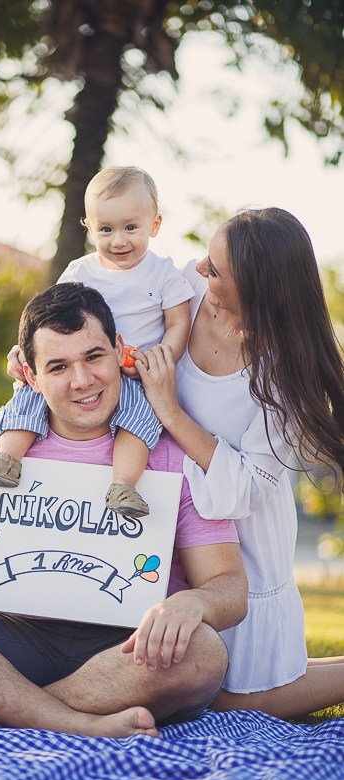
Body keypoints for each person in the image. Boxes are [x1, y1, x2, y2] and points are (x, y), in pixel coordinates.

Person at [0, 282, 247, 739]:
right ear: (29, 376)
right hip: (12, 636)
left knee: (203, 653)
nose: (83, 380)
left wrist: (192, 603)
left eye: (94, 357)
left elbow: (229, 587)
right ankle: (73, 722)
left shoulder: (172, 453)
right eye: (58, 366)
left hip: (127, 648)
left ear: (119, 350)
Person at [133, 207, 344, 719]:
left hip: (240, 533)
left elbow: (248, 490)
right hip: (165, 511)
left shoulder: (284, 377)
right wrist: (32, 352)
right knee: (169, 672)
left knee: (228, 698)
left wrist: (171, 411)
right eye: (208, 256)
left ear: (257, 291)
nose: (200, 268)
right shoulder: (184, 288)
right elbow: (103, 321)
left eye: (217, 270)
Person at [0, 166, 194, 519]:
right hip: (85, 362)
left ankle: (123, 486)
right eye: (106, 229)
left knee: (140, 420)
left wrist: (161, 357)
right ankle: (7, 458)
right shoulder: (80, 271)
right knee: (29, 392)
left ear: (154, 225)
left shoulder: (163, 273)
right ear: (88, 227)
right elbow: (49, 321)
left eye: (131, 227)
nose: (118, 240)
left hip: (132, 372)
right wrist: (25, 352)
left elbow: (179, 323)